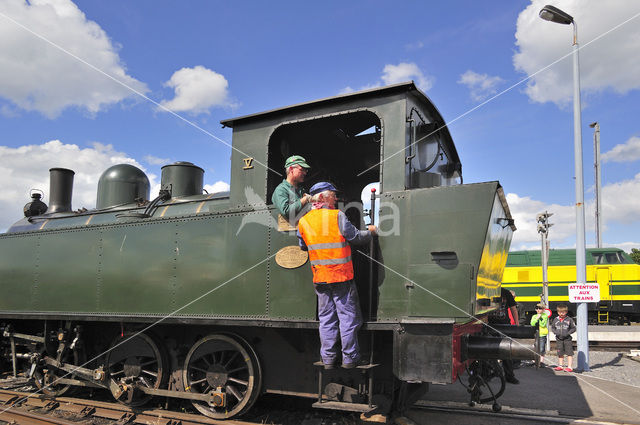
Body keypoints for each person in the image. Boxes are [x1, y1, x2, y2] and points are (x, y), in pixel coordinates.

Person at [297, 182, 377, 369]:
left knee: (326, 319)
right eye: (333, 195)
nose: (336, 198)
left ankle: (328, 359)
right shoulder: (337, 216)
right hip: (341, 277)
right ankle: (350, 359)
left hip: (320, 279)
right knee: (348, 318)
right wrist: (372, 232)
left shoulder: (303, 221)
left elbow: (303, 246)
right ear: (323, 197)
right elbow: (356, 237)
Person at [488, 287, 520, 384]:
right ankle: (494, 373)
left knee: (505, 351)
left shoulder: (505, 292)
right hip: (493, 324)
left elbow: (513, 308)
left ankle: (507, 375)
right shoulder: (502, 292)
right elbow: (513, 309)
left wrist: (517, 324)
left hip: (501, 324)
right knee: (491, 350)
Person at [271, 155, 312, 221]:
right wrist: (305, 199)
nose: (304, 173)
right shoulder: (281, 190)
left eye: (305, 170)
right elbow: (286, 211)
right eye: (302, 170)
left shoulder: (301, 190)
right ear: (291, 169)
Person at [550, 304, 576, 372]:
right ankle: (560, 365)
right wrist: (555, 332)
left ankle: (569, 367)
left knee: (569, 352)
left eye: (563, 312)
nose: (561, 313)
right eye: (560, 312)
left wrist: (568, 333)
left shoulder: (569, 319)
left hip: (567, 339)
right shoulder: (556, 319)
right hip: (559, 339)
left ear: (566, 312)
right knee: (560, 352)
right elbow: (552, 327)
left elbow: (573, 328)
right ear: (558, 312)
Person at [531, 302, 551, 367]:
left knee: (542, 348)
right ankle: (535, 361)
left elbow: (543, 324)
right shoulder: (534, 316)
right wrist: (537, 318)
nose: (538, 310)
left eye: (540, 308)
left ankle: (541, 361)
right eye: (537, 308)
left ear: (543, 310)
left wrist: (540, 318)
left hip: (542, 334)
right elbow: (532, 324)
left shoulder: (545, 316)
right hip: (535, 334)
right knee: (534, 348)